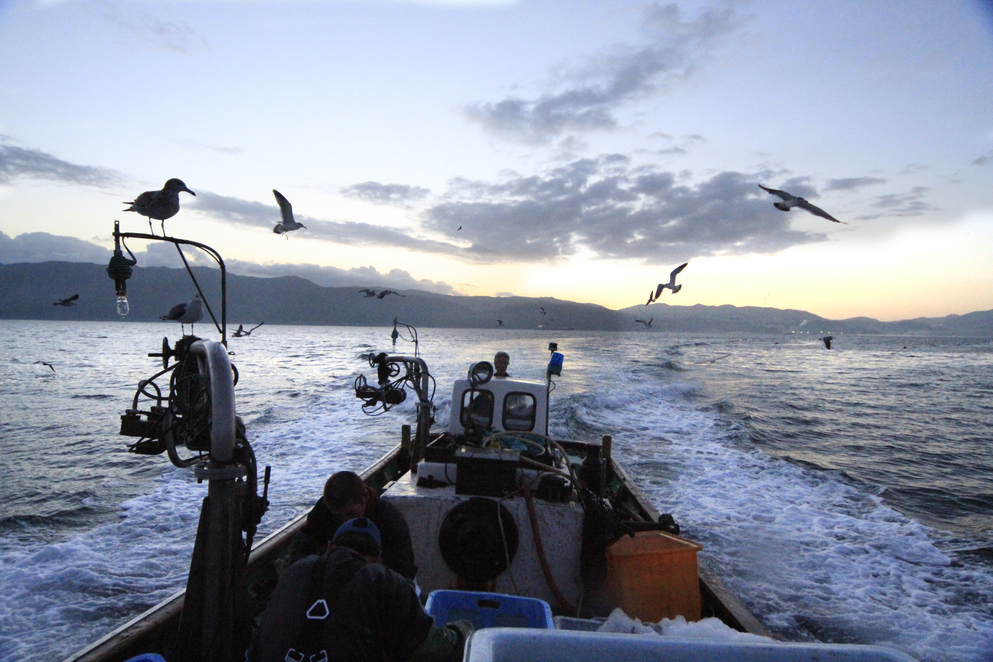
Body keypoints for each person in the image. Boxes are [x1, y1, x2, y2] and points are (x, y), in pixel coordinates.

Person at [247, 518, 472, 662]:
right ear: (377, 557)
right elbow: (431, 650)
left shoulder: (294, 571)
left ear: (330, 547)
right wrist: (466, 631)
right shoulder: (384, 580)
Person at [289, 471, 417, 580]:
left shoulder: (390, 521)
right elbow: (304, 544)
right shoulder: (324, 510)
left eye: (352, 513)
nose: (346, 522)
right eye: (339, 516)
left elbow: (403, 571)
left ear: (365, 497)